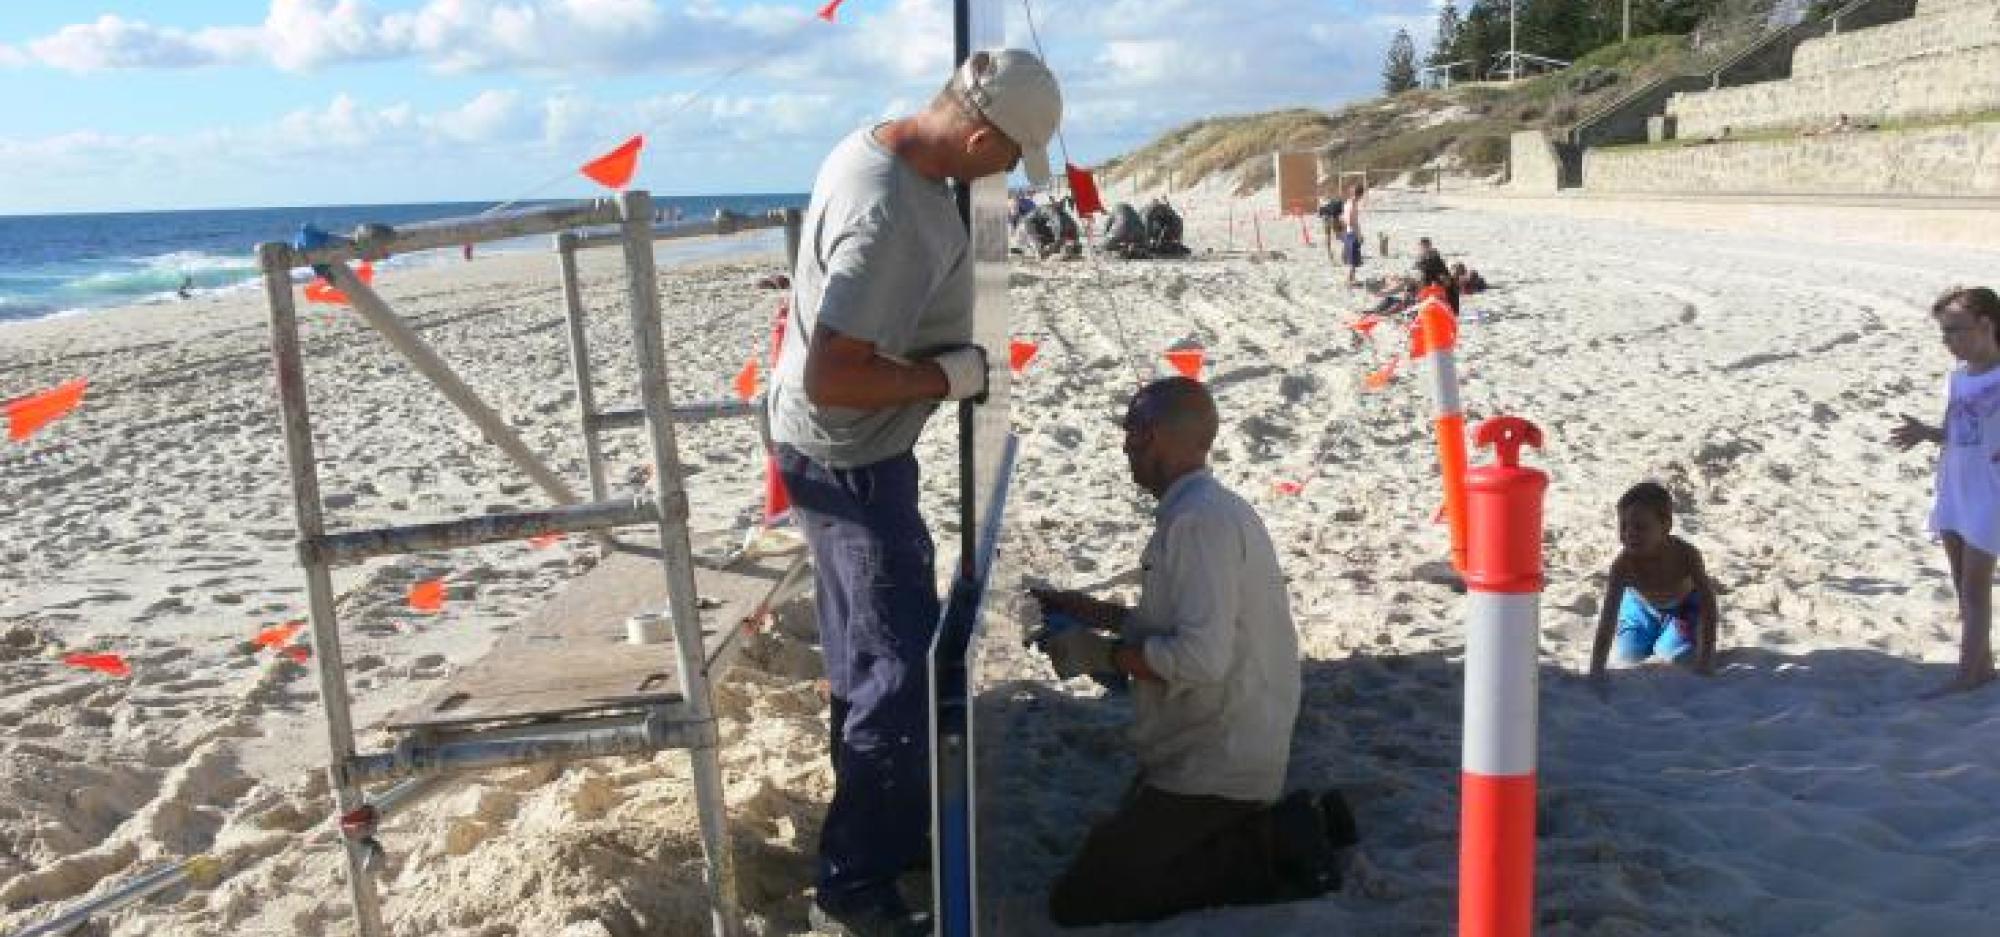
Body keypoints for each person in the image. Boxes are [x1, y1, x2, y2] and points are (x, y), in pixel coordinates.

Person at [767, 47, 1062, 937]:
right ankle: (853, 886)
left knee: (866, 653)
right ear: (977, 133)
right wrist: (950, 377)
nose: (1007, 176)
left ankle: (886, 833)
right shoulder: (891, 215)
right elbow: (833, 376)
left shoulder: (880, 145)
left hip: (835, 451)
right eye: (1008, 157)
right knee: (896, 670)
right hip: (847, 456)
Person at [1029, 378, 1353, 926]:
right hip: (1214, 742)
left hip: (1222, 759)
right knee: (1115, 835)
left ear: (1151, 435)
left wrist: (1100, 657)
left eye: (1131, 432)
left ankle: (1287, 841)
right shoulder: (1205, 508)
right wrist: (1094, 613)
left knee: (1082, 898)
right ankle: (1277, 827)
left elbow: (1201, 660)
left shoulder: (1200, 523)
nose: (1126, 447)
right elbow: (1175, 626)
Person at [1890, 286, 2000, 697]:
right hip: (1954, 486)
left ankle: (1966, 675)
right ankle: (1983, 665)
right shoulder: (1959, 377)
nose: (1948, 342)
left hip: (1991, 494)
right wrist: (1926, 433)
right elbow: (1961, 433)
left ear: (1986, 324)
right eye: (1943, 333)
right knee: (1961, 582)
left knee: (1975, 588)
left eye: (1954, 331)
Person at [1588, 482, 1722, 691]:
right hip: (1641, 609)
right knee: (1628, 656)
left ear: (1666, 526)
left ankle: (1668, 635)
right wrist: (1596, 668)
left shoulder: (1686, 555)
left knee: (1676, 656)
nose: (1630, 533)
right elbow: (1608, 619)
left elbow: (1708, 604)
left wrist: (1706, 658)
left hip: (1682, 608)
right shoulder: (1622, 566)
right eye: (1624, 526)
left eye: (1640, 527)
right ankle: (1653, 632)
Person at [1340, 181, 1365, 287]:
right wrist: (1358, 235)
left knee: (1352, 258)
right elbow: (1350, 220)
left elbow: (1343, 218)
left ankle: (1352, 279)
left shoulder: (1348, 203)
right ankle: (1349, 280)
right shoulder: (1351, 204)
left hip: (1348, 232)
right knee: (1353, 259)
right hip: (1352, 233)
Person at [1315, 194, 1343, 264]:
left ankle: (1329, 254)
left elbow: (1319, 214)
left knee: (1328, 237)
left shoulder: (1323, 202)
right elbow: (1340, 213)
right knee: (1339, 235)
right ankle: (1341, 254)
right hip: (1333, 218)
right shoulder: (1338, 202)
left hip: (1326, 219)